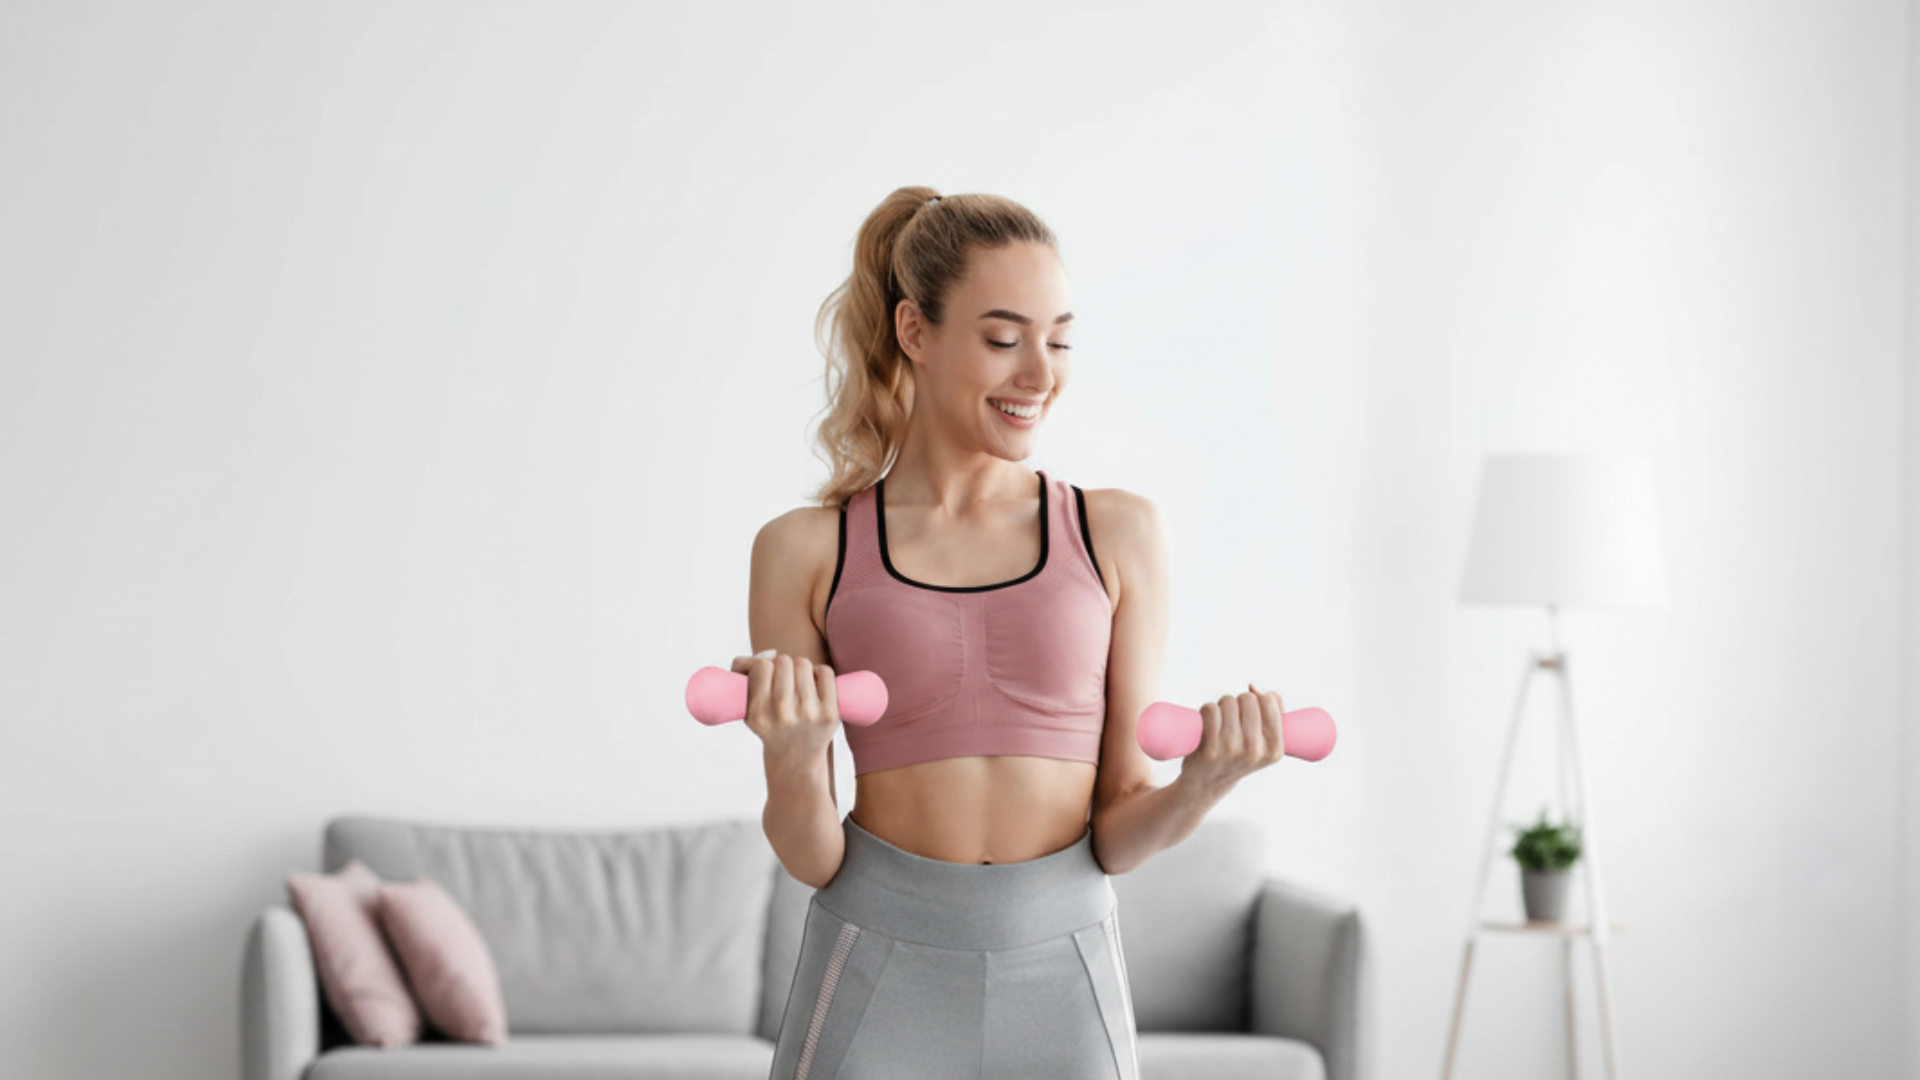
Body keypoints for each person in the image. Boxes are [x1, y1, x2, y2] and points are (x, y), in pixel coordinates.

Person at [733, 186, 1288, 1080]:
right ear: (915, 331)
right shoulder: (805, 549)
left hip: (1064, 975)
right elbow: (812, 855)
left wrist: (1203, 782)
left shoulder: (1116, 533)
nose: (1040, 375)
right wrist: (795, 757)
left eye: (1058, 341)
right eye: (1003, 339)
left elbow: (1116, 832)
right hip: (873, 964)